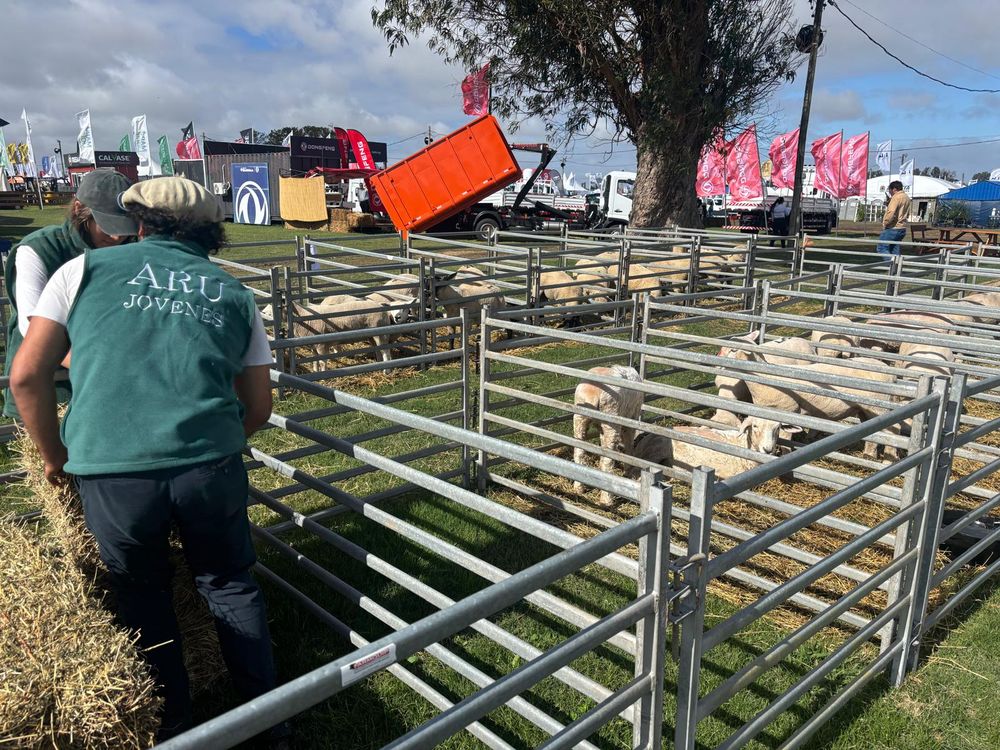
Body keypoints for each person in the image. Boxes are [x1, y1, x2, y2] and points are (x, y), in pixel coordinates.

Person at [9, 176, 286, 745]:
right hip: (209, 466)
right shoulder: (234, 293)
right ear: (213, 233)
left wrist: (56, 455)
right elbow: (257, 405)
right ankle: (269, 724)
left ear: (138, 223)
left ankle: (173, 727)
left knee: (142, 592)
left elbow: (25, 375)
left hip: (114, 471)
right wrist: (211, 441)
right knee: (230, 583)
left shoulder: (80, 272)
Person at [3, 169, 137, 419]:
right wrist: (97, 369)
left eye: (124, 226)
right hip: (52, 383)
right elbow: (30, 325)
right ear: (78, 210)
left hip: (105, 379)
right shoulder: (39, 249)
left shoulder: (130, 249)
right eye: (108, 227)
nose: (118, 236)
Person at [877, 180, 912, 256]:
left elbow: (891, 212)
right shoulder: (907, 198)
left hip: (893, 227)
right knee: (894, 250)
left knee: (882, 247)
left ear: (894, 189)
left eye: (890, 190)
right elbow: (907, 213)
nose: (889, 192)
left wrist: (885, 223)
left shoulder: (896, 198)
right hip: (902, 227)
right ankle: (896, 267)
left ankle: (890, 264)